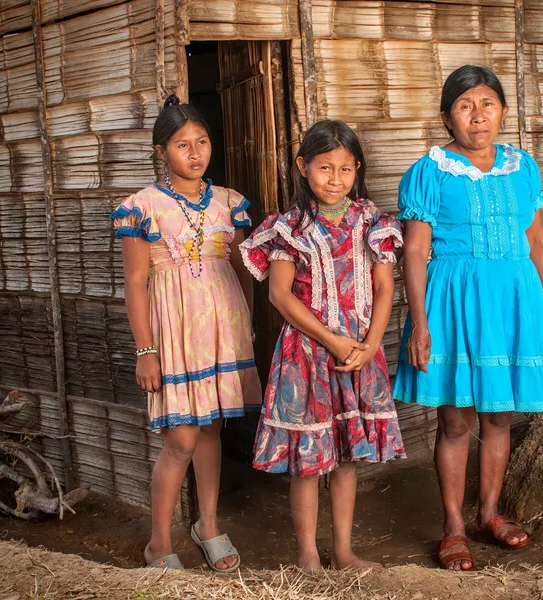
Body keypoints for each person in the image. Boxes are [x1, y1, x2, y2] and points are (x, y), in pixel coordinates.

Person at [393, 65, 543, 571]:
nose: (478, 115)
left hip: (514, 299)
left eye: (487, 103)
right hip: (453, 302)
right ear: (447, 118)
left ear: (504, 111)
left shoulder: (521, 166)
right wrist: (420, 323)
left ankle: (489, 513)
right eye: (465, 106)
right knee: (454, 420)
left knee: (499, 414)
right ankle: (452, 526)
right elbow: (416, 249)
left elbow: (536, 241)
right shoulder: (430, 171)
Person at [240, 119, 406, 572]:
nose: (336, 180)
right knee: (308, 459)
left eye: (346, 169)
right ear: (302, 167)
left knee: (347, 457)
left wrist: (370, 345)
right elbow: (278, 294)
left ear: (357, 169)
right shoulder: (287, 227)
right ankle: (308, 556)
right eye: (324, 168)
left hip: (358, 353)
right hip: (307, 354)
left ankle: (344, 552)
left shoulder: (373, 223)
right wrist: (332, 339)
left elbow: (385, 289)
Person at [111, 94, 261, 572]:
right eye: (182, 145)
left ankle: (208, 525)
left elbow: (241, 272)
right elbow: (136, 283)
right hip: (173, 332)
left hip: (223, 329)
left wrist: (246, 329)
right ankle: (159, 541)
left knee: (212, 428)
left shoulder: (229, 202)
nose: (195, 153)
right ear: (162, 151)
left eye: (202, 142)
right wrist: (146, 350)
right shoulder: (142, 207)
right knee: (181, 438)